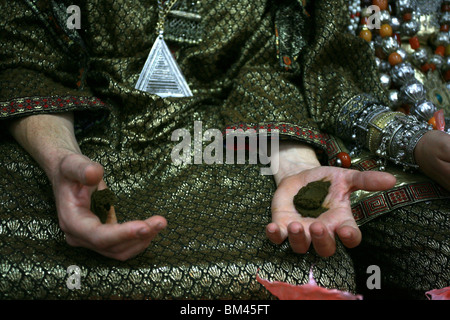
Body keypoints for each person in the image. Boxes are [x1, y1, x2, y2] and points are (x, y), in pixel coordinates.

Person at [0, 0, 448, 300]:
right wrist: (61, 163)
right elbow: (24, 58)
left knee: (308, 275)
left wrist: (295, 164)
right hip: (69, 138)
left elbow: (267, 67)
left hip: (223, 145)